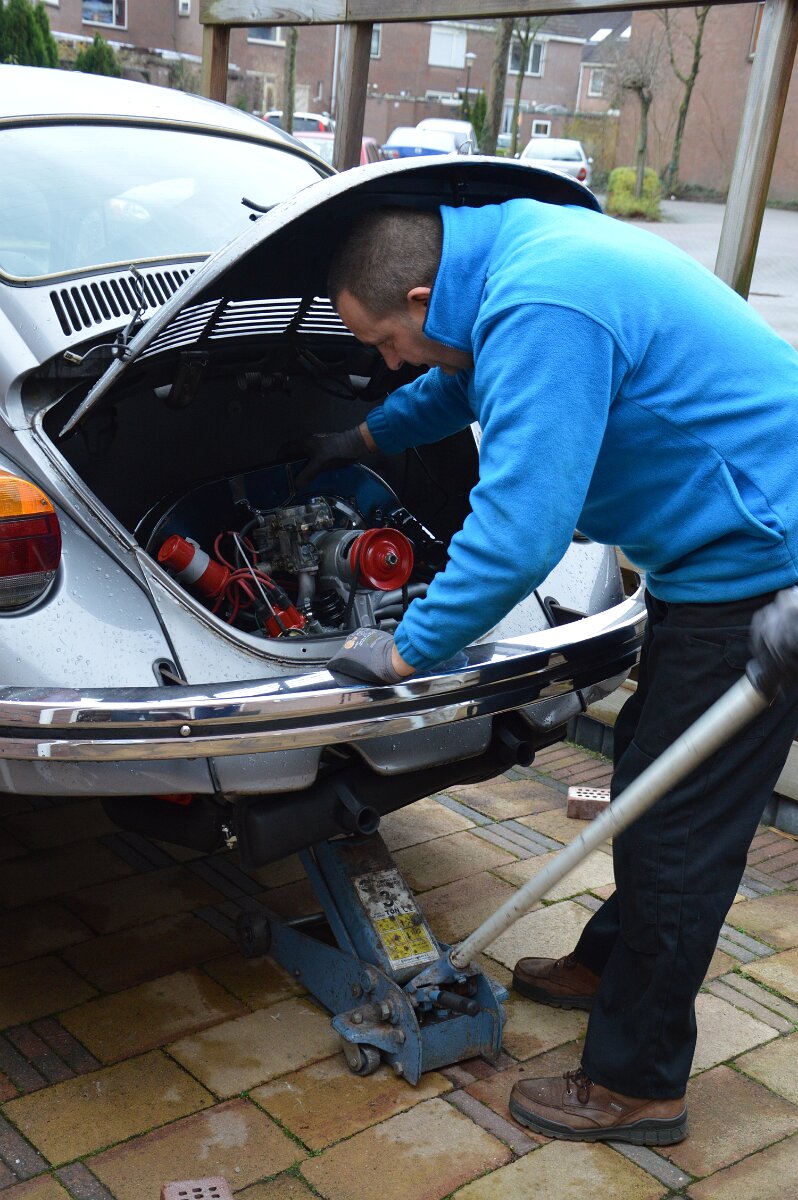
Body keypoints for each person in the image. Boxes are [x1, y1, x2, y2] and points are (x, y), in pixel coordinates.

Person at [304, 201, 798, 1145]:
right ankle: (614, 968)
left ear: (422, 297)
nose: (392, 363)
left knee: (679, 835)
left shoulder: (543, 302)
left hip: (763, 572)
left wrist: (405, 652)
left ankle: (637, 1084)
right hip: (717, 555)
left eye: (387, 343)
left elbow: (520, 532)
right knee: (650, 781)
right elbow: (462, 380)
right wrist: (365, 442)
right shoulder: (505, 257)